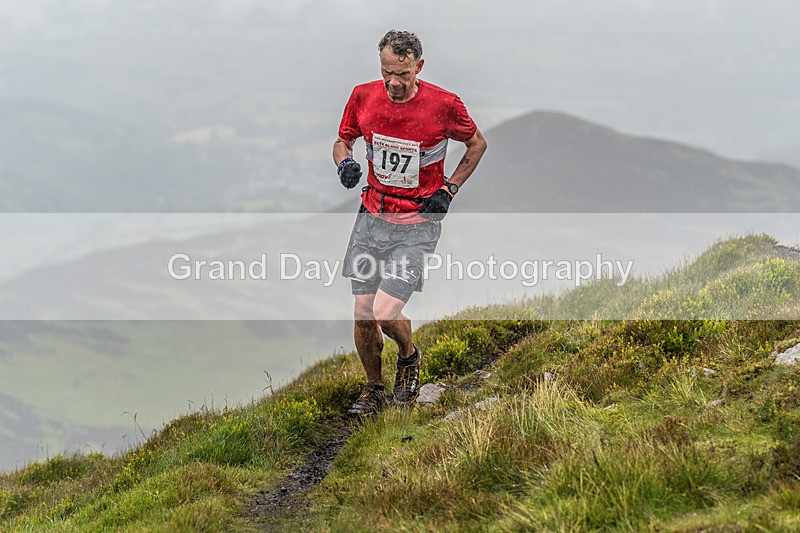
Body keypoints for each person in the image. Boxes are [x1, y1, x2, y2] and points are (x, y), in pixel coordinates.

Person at [333, 29, 487, 415]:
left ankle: (408, 356)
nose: (393, 83)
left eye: (402, 74)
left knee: (385, 312)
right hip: (372, 216)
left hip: (418, 221)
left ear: (419, 67)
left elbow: (477, 143)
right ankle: (373, 389)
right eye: (387, 72)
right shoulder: (363, 96)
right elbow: (343, 140)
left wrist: (449, 189)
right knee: (363, 312)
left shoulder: (444, 104)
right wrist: (345, 163)